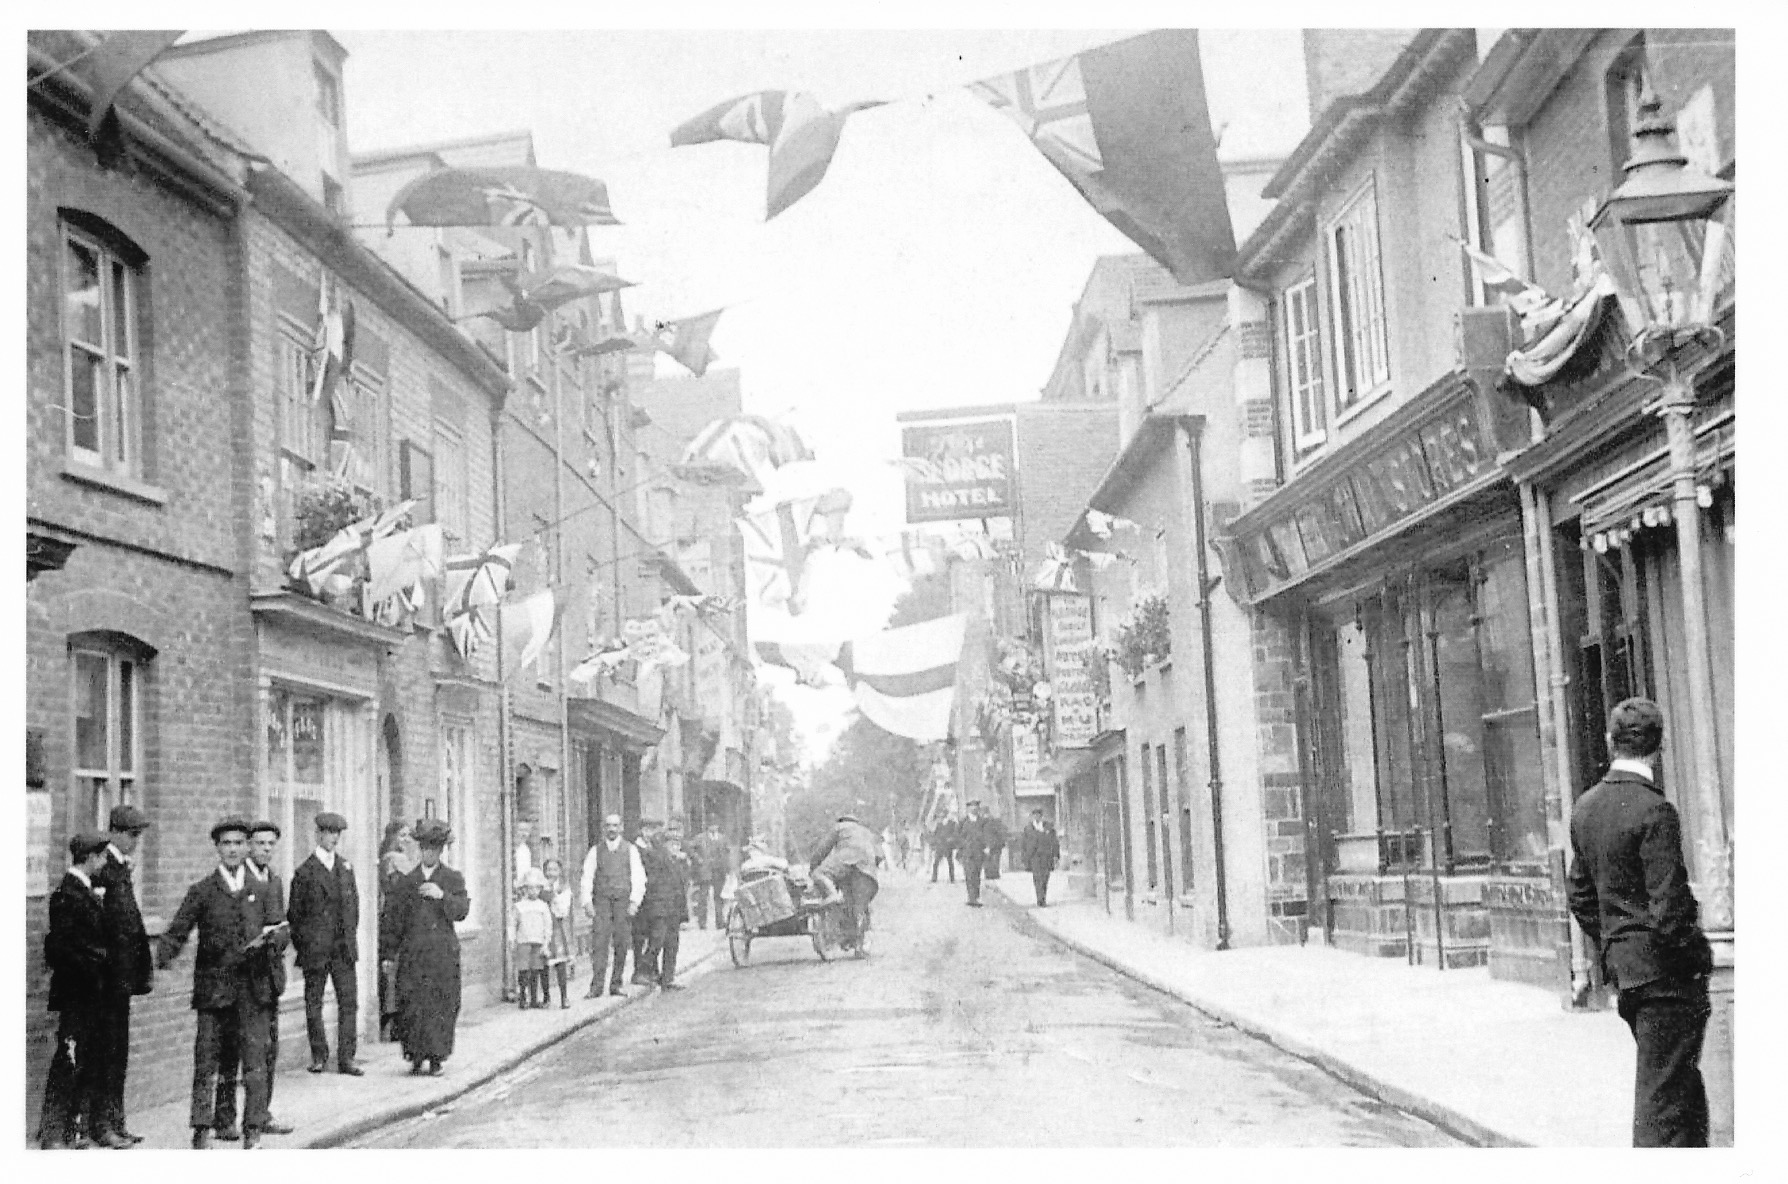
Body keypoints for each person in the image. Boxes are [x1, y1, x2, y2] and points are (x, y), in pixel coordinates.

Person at [1567, 698, 1715, 1148]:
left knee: (1681, 1092)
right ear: (1660, 746)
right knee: (1664, 1103)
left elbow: (1580, 895)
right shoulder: (1655, 811)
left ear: (1610, 742)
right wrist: (1698, 959)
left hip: (1629, 974)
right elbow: (1671, 910)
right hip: (1666, 977)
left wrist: (1617, 942)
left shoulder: (1586, 807)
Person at [157, 818, 287, 1149]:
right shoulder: (202, 890)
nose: (232, 850)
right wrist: (162, 959)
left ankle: (253, 1129)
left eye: (238, 843)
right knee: (207, 1062)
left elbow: (281, 928)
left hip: (252, 989)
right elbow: (177, 931)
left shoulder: (262, 889)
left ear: (247, 847)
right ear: (217, 848)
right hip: (214, 990)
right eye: (226, 844)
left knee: (254, 1061)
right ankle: (202, 1129)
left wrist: (272, 941)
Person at [212, 821, 293, 1142]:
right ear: (248, 846)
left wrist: (279, 937)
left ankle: (260, 1113)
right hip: (239, 980)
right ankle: (224, 1119)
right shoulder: (238, 880)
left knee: (267, 1050)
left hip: (267, 978)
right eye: (260, 843)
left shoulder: (274, 880)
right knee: (231, 1051)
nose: (266, 849)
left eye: (271, 844)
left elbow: (281, 924)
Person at [37, 834, 116, 1149]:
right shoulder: (68, 894)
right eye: (102, 856)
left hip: (89, 992)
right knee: (67, 1059)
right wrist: (97, 961)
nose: (105, 862)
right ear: (91, 858)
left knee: (82, 1058)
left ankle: (73, 1129)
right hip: (77, 993)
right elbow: (60, 948)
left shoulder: (84, 890)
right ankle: (53, 1133)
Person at [379, 818, 470, 1076]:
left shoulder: (452, 878)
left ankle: (437, 1057)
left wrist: (442, 896)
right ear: (420, 850)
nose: (429, 854)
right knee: (412, 1004)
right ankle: (415, 1055)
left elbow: (462, 911)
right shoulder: (408, 881)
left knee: (441, 1003)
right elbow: (393, 919)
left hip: (442, 954)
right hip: (414, 954)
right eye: (426, 849)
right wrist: (388, 954)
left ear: (441, 851)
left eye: (435, 849)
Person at [92, 804, 153, 1146]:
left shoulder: (121, 868)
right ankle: (103, 1125)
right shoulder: (105, 870)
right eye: (131, 835)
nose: (135, 841)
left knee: (118, 1052)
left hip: (121, 980)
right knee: (107, 1053)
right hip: (109, 980)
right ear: (114, 832)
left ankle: (116, 1121)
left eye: (138, 835)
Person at [289, 812, 361, 1075]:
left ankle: (347, 1058)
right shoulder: (305, 872)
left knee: (348, 1003)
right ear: (318, 835)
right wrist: (306, 945)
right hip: (316, 950)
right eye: (329, 833)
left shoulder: (346, 868)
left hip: (343, 950)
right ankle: (319, 1055)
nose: (334, 838)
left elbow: (354, 909)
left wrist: (348, 938)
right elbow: (295, 916)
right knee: (314, 1003)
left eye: (337, 833)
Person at [579, 814, 646, 998]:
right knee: (599, 943)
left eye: (615, 825)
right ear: (604, 828)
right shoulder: (595, 851)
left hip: (622, 902)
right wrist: (586, 902)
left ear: (621, 827)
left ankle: (616, 983)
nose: (612, 829)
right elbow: (587, 877)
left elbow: (639, 877)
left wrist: (635, 901)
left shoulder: (630, 850)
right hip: (601, 902)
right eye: (608, 825)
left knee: (621, 943)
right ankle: (596, 986)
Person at [809, 813, 885, 949]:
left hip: (847, 860)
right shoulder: (867, 832)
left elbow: (822, 850)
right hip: (867, 872)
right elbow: (880, 855)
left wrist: (813, 867)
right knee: (859, 907)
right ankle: (860, 944)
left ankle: (832, 894)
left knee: (819, 874)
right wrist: (869, 865)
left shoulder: (839, 827)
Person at [376, 820, 416, 1042]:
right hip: (394, 917)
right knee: (393, 972)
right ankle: (392, 1025)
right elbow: (397, 893)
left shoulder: (400, 859)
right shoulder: (394, 860)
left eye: (408, 835)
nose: (406, 840)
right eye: (402, 835)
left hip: (400, 918)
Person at [640, 830, 691, 989]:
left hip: (674, 908)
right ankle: (642, 971)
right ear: (665, 845)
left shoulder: (678, 862)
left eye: (678, 844)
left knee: (672, 944)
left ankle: (668, 978)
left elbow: (682, 887)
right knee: (657, 940)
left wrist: (683, 914)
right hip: (659, 907)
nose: (675, 847)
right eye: (672, 844)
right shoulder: (658, 858)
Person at [628, 819, 666, 985]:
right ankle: (640, 972)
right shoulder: (634, 849)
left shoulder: (655, 846)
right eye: (648, 830)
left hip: (656, 898)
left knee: (656, 936)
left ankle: (651, 970)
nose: (651, 833)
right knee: (640, 937)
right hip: (641, 898)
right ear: (642, 830)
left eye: (653, 830)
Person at [511, 868, 552, 1008]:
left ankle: (534, 999)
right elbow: (513, 924)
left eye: (536, 888)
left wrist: (546, 942)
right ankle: (523, 997)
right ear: (524, 889)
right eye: (530, 888)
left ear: (540, 889)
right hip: (523, 940)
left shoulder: (543, 906)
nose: (533, 891)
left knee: (535, 970)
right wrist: (512, 939)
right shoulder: (519, 906)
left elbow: (547, 925)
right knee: (523, 970)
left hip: (538, 941)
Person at [686, 820, 731, 930]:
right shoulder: (700, 838)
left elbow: (727, 853)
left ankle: (720, 922)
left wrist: (727, 868)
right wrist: (698, 859)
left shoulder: (722, 838)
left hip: (719, 871)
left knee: (719, 897)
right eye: (711, 825)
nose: (714, 827)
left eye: (715, 825)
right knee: (703, 897)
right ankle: (702, 922)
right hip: (705, 871)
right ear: (708, 826)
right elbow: (690, 849)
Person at [542, 858, 574, 1009]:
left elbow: (563, 910)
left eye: (554, 870)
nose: (551, 873)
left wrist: (553, 896)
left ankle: (564, 997)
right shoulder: (541, 886)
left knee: (560, 962)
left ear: (560, 871)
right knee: (543, 963)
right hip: (542, 928)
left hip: (556, 928)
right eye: (548, 870)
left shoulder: (564, 888)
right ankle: (546, 997)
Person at [1019, 808, 1061, 907]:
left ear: (1041, 816)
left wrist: (1056, 855)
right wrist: (1025, 857)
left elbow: (1054, 842)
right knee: (1037, 877)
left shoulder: (1048, 827)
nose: (1037, 817)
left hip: (1046, 856)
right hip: (1034, 857)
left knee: (1045, 877)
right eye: (1035, 815)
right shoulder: (1028, 828)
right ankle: (1040, 899)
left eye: (1038, 815)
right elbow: (1024, 844)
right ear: (1032, 816)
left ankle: (1043, 897)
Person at [956, 801, 994, 907]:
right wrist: (963, 846)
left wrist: (987, 846)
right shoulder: (963, 822)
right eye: (972, 807)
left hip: (979, 852)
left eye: (976, 807)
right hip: (967, 853)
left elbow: (987, 834)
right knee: (969, 875)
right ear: (968, 809)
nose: (974, 809)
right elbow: (957, 836)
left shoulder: (983, 822)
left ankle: (976, 897)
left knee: (977, 875)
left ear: (978, 809)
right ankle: (971, 898)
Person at [930, 813, 960, 884]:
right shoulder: (939, 824)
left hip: (948, 846)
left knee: (950, 862)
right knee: (936, 862)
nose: (940, 818)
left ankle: (952, 878)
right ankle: (934, 878)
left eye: (942, 817)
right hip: (940, 846)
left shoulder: (952, 824)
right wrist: (935, 842)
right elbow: (935, 834)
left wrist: (951, 839)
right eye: (940, 817)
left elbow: (955, 834)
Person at [984, 808, 1009, 881]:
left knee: (993, 860)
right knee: (990, 860)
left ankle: (992, 874)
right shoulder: (985, 822)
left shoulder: (994, 822)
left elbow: (1000, 833)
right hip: (991, 845)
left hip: (995, 845)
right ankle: (991, 874)